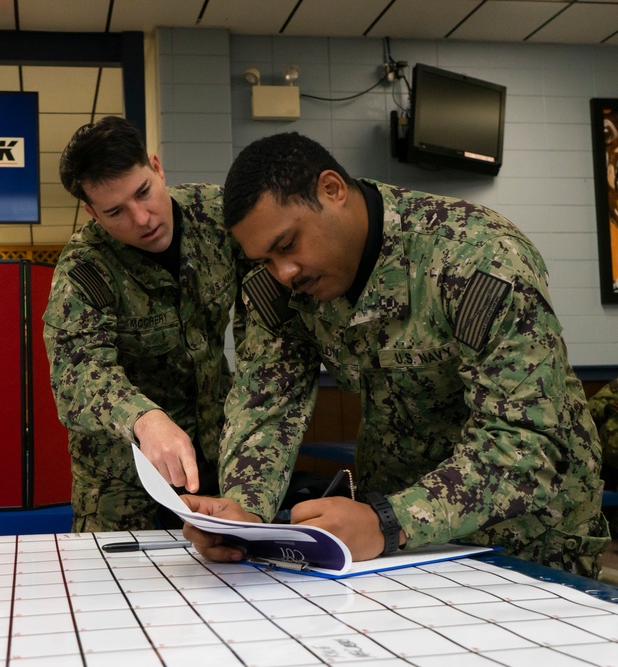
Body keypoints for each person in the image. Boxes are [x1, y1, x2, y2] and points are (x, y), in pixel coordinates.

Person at [182, 132, 611, 578]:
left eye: (288, 245)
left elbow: (528, 444)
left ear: (332, 190)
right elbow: (266, 403)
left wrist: (390, 521)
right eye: (265, 259)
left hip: (526, 533)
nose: (282, 272)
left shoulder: (475, 259)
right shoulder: (281, 286)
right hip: (392, 535)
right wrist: (243, 514)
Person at [43, 116, 249, 531]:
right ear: (92, 212)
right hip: (120, 479)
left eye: (144, 192)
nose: (142, 219)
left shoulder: (217, 217)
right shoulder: (85, 268)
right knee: (115, 591)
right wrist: (144, 419)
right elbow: (77, 373)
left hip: (213, 454)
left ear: (157, 167)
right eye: (116, 211)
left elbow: (262, 316)